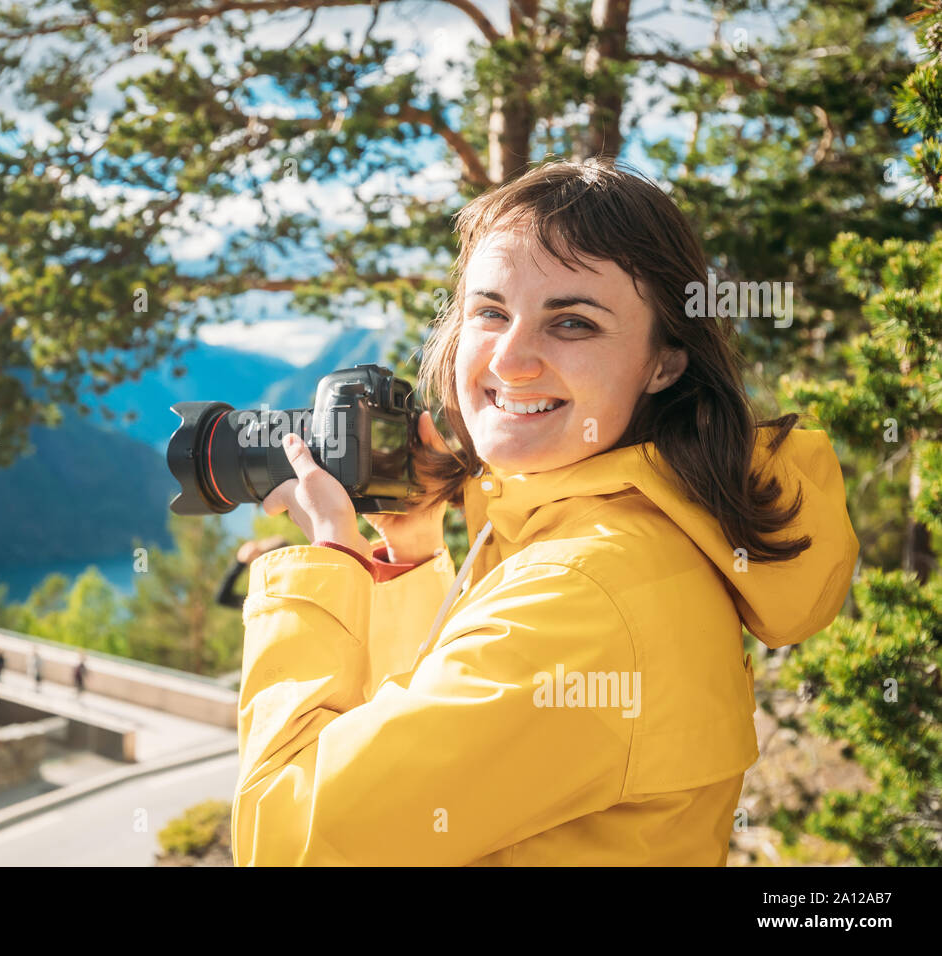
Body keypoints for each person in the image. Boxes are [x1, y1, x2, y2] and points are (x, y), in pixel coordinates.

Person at [231, 160, 860, 866]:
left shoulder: (583, 593)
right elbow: (422, 750)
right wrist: (411, 558)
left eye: (572, 322)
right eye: (490, 312)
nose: (511, 360)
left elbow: (286, 839)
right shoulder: (624, 532)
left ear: (664, 361)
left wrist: (328, 561)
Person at [215, 536, 289, 609]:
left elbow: (223, 599)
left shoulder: (261, 602)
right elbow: (223, 598)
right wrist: (240, 563)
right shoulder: (261, 600)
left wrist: (240, 564)